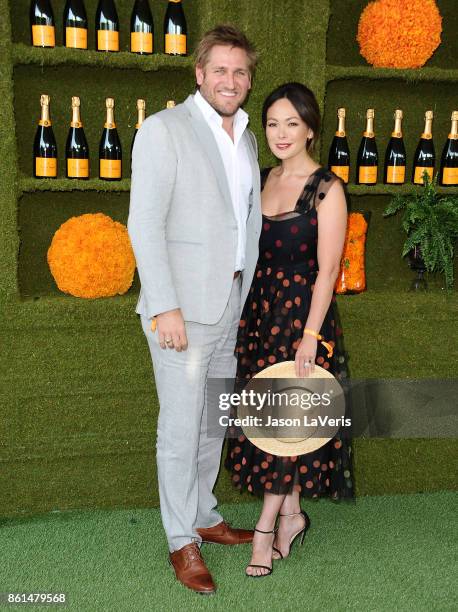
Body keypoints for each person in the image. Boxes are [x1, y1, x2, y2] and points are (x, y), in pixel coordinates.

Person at [127, 25, 262, 595]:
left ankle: (205, 514)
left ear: (248, 81)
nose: (230, 80)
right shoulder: (164, 130)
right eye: (221, 70)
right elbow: (144, 224)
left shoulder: (249, 137)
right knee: (181, 430)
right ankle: (181, 537)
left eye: (241, 72)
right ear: (199, 74)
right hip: (181, 312)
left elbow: (242, 220)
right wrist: (166, 308)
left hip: (232, 301)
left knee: (214, 423)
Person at [225, 82, 354, 577]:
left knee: (287, 427)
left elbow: (328, 272)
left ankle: (265, 530)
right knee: (270, 422)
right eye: (273, 123)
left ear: (310, 130)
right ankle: (293, 515)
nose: (281, 133)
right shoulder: (260, 178)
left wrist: (309, 335)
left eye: (291, 124)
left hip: (303, 320)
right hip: (259, 315)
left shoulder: (328, 188)